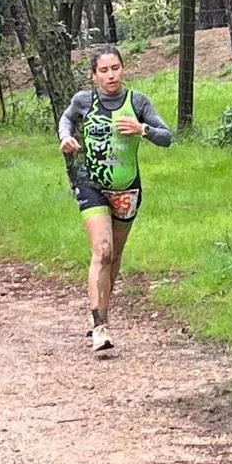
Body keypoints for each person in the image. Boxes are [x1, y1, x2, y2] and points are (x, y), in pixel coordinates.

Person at [58, 47, 172, 352]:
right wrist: (65, 138)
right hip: (91, 183)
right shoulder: (84, 101)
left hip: (127, 188)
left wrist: (142, 128)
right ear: (94, 75)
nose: (111, 75)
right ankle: (100, 327)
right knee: (103, 250)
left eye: (115, 68)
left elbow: (167, 136)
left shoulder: (137, 101)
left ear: (123, 70)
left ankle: (102, 309)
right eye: (104, 70)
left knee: (115, 256)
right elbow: (66, 120)